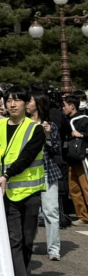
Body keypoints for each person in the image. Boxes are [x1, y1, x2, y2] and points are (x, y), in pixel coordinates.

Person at [0, 86, 44, 276]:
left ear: (27, 104)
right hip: (5, 193)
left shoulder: (35, 129)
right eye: (8, 100)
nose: (12, 104)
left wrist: (7, 174)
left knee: (28, 241)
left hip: (29, 192)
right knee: (15, 239)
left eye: (17, 100)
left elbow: (27, 157)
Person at [27, 90, 62, 260]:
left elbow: (56, 150)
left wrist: (47, 134)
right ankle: (28, 244)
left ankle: (54, 249)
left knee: (51, 211)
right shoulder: (22, 125)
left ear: (38, 104)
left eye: (30, 101)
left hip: (48, 172)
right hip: (27, 174)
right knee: (30, 212)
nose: (26, 103)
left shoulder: (51, 125)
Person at [62, 95, 88, 226]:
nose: (63, 108)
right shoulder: (65, 120)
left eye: (65, 106)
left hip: (82, 159)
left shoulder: (83, 120)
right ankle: (83, 216)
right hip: (70, 158)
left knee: (85, 187)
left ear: (72, 106)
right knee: (74, 189)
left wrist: (82, 135)